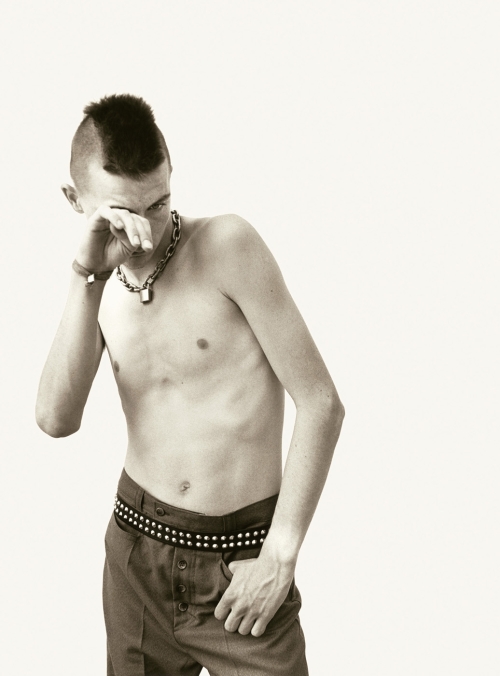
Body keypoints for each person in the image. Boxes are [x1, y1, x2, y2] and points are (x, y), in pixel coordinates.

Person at [36, 93, 345, 676]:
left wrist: (279, 554)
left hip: (239, 565)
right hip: (136, 558)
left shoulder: (228, 246)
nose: (145, 229)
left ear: (172, 172)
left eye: (159, 203)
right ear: (76, 201)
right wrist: (85, 276)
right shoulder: (96, 290)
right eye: (122, 212)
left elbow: (321, 402)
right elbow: (55, 419)